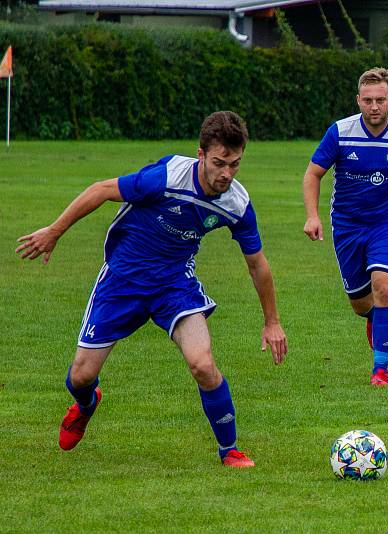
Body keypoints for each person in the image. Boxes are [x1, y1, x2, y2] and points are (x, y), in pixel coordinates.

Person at [15, 111, 287, 468]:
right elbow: (101, 190)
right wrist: (54, 231)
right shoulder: (166, 176)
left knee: (203, 365)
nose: (226, 174)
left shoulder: (236, 202)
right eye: (219, 163)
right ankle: (86, 404)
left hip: (174, 284)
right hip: (123, 280)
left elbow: (257, 263)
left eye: (235, 165)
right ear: (201, 154)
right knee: (80, 376)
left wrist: (272, 321)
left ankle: (229, 450)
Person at [302, 67, 388, 386]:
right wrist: (312, 215)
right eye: (368, 100)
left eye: (381, 99)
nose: (374, 106)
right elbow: (313, 174)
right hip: (347, 227)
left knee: (385, 287)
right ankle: (375, 319)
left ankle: (380, 370)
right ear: (358, 100)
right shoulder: (340, 132)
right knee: (360, 304)